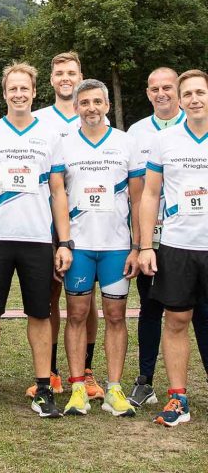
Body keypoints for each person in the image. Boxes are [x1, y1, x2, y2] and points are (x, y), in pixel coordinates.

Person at [0, 62, 72, 419]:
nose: (19, 94)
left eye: (25, 89)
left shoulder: (50, 134)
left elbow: (58, 191)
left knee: (39, 314)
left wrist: (64, 242)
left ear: (33, 92)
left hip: (37, 240)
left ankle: (43, 388)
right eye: (13, 89)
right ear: (4, 93)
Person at [62, 79, 144, 417]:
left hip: (115, 248)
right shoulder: (64, 144)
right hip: (79, 247)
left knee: (114, 316)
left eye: (97, 102)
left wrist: (138, 246)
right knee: (78, 315)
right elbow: (56, 195)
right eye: (85, 103)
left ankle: (113, 389)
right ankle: (78, 387)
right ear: (76, 107)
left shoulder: (126, 143)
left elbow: (139, 198)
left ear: (107, 105)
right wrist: (62, 243)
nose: (91, 108)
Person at [26, 52, 103, 400]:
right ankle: (53, 372)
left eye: (72, 72)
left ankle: (86, 371)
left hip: (90, 221)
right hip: (48, 222)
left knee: (85, 301)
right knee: (50, 297)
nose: (66, 78)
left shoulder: (92, 114)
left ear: (80, 75)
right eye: (59, 73)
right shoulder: (39, 119)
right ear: (51, 79)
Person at [139, 69, 208, 427]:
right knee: (176, 320)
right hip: (177, 246)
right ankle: (178, 398)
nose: (195, 99)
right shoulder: (165, 142)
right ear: (180, 101)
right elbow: (150, 194)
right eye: (189, 94)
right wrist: (146, 245)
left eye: (201, 92)